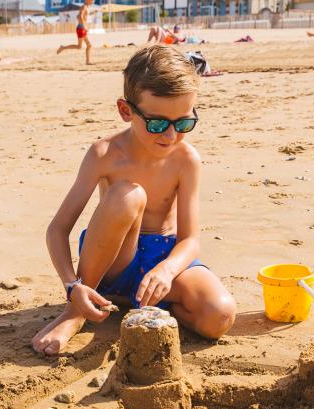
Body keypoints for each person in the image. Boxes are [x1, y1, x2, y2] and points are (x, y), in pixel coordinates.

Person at [31, 45, 237, 355]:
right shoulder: (105, 154)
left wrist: (167, 270)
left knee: (219, 315)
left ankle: (145, 303)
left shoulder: (186, 159)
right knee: (129, 195)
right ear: (126, 111)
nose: (169, 136)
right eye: (156, 124)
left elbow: (190, 240)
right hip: (112, 259)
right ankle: (76, 313)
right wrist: (72, 287)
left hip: (162, 260)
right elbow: (57, 230)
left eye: (183, 124)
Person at [56, 0, 93, 65]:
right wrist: (84, 26)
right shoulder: (84, 7)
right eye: (92, 0)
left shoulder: (86, 7)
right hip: (81, 28)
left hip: (81, 28)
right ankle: (87, 62)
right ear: (87, 0)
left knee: (79, 46)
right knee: (88, 45)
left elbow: (78, 16)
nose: (93, 1)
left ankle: (63, 47)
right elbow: (80, 16)